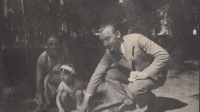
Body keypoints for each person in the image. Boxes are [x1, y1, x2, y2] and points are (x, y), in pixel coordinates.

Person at [80, 22, 170, 112]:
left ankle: (151, 100)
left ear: (118, 34)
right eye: (102, 41)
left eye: (108, 39)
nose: (105, 44)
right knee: (108, 73)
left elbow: (163, 55)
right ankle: (128, 102)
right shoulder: (110, 53)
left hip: (156, 75)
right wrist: (85, 100)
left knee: (133, 88)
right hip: (136, 76)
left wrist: (145, 73)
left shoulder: (136, 39)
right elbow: (98, 73)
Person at [35, 33, 73, 112]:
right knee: (43, 106)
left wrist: (61, 64)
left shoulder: (64, 50)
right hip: (48, 84)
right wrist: (40, 99)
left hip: (62, 80)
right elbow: (39, 81)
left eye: (56, 44)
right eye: (51, 44)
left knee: (65, 98)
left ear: (60, 44)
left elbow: (71, 66)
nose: (54, 47)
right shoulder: (42, 59)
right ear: (46, 46)